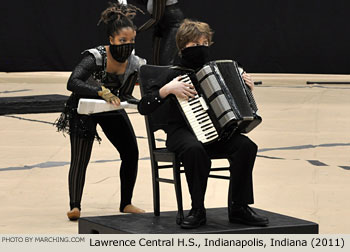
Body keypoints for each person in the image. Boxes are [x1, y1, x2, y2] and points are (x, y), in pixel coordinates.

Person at [138, 19, 269, 229]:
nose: (201, 48)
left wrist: (247, 90)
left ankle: (239, 207)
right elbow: (144, 106)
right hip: (181, 133)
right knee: (193, 149)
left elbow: (235, 104)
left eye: (205, 44)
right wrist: (167, 90)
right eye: (195, 44)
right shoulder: (172, 74)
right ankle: (197, 209)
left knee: (246, 146)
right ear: (183, 47)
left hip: (214, 133)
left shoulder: (214, 72)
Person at [55, 1, 146, 220]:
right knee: (80, 157)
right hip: (84, 108)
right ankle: (75, 205)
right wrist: (99, 92)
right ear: (111, 40)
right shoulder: (95, 56)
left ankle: (126, 203)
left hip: (110, 107)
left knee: (131, 152)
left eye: (132, 40)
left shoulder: (134, 62)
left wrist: (137, 102)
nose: (128, 44)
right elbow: (73, 81)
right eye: (123, 40)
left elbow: (125, 93)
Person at [134, 0, 184, 65]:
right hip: (161, 24)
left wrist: (137, 30)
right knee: (157, 60)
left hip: (172, 25)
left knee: (165, 60)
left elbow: (156, 18)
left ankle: (167, 74)